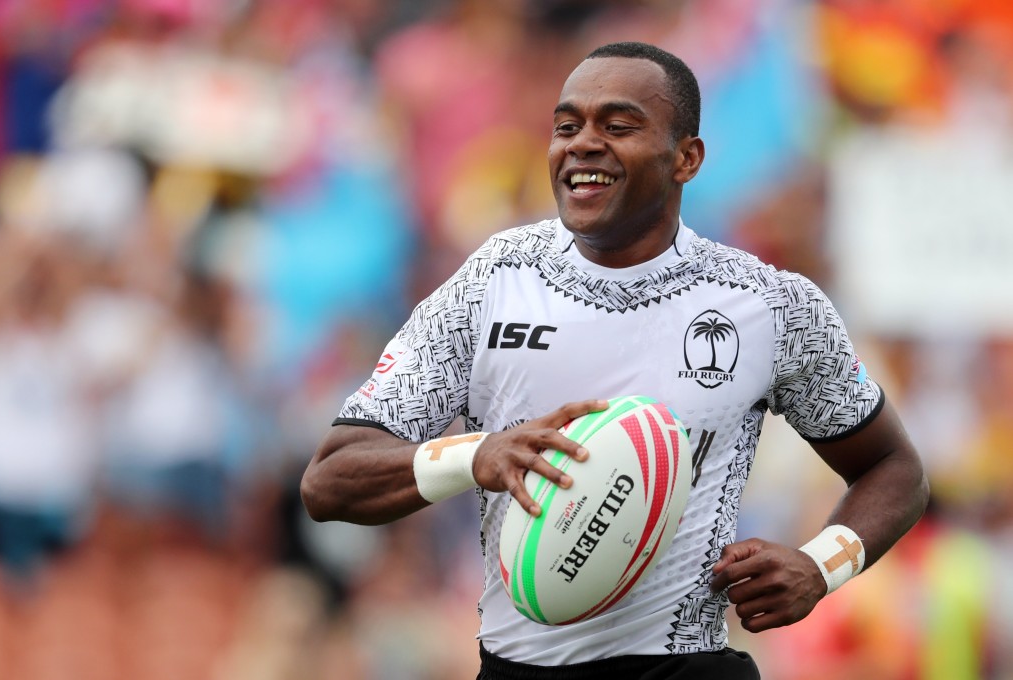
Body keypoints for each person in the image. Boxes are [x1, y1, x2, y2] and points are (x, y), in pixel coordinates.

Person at [300, 41, 929, 679]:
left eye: (618, 126)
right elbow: (329, 481)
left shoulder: (768, 305)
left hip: (687, 668)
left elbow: (894, 469)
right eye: (566, 126)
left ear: (687, 158)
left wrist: (823, 565)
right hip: (518, 667)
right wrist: (475, 455)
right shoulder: (493, 280)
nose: (581, 144)